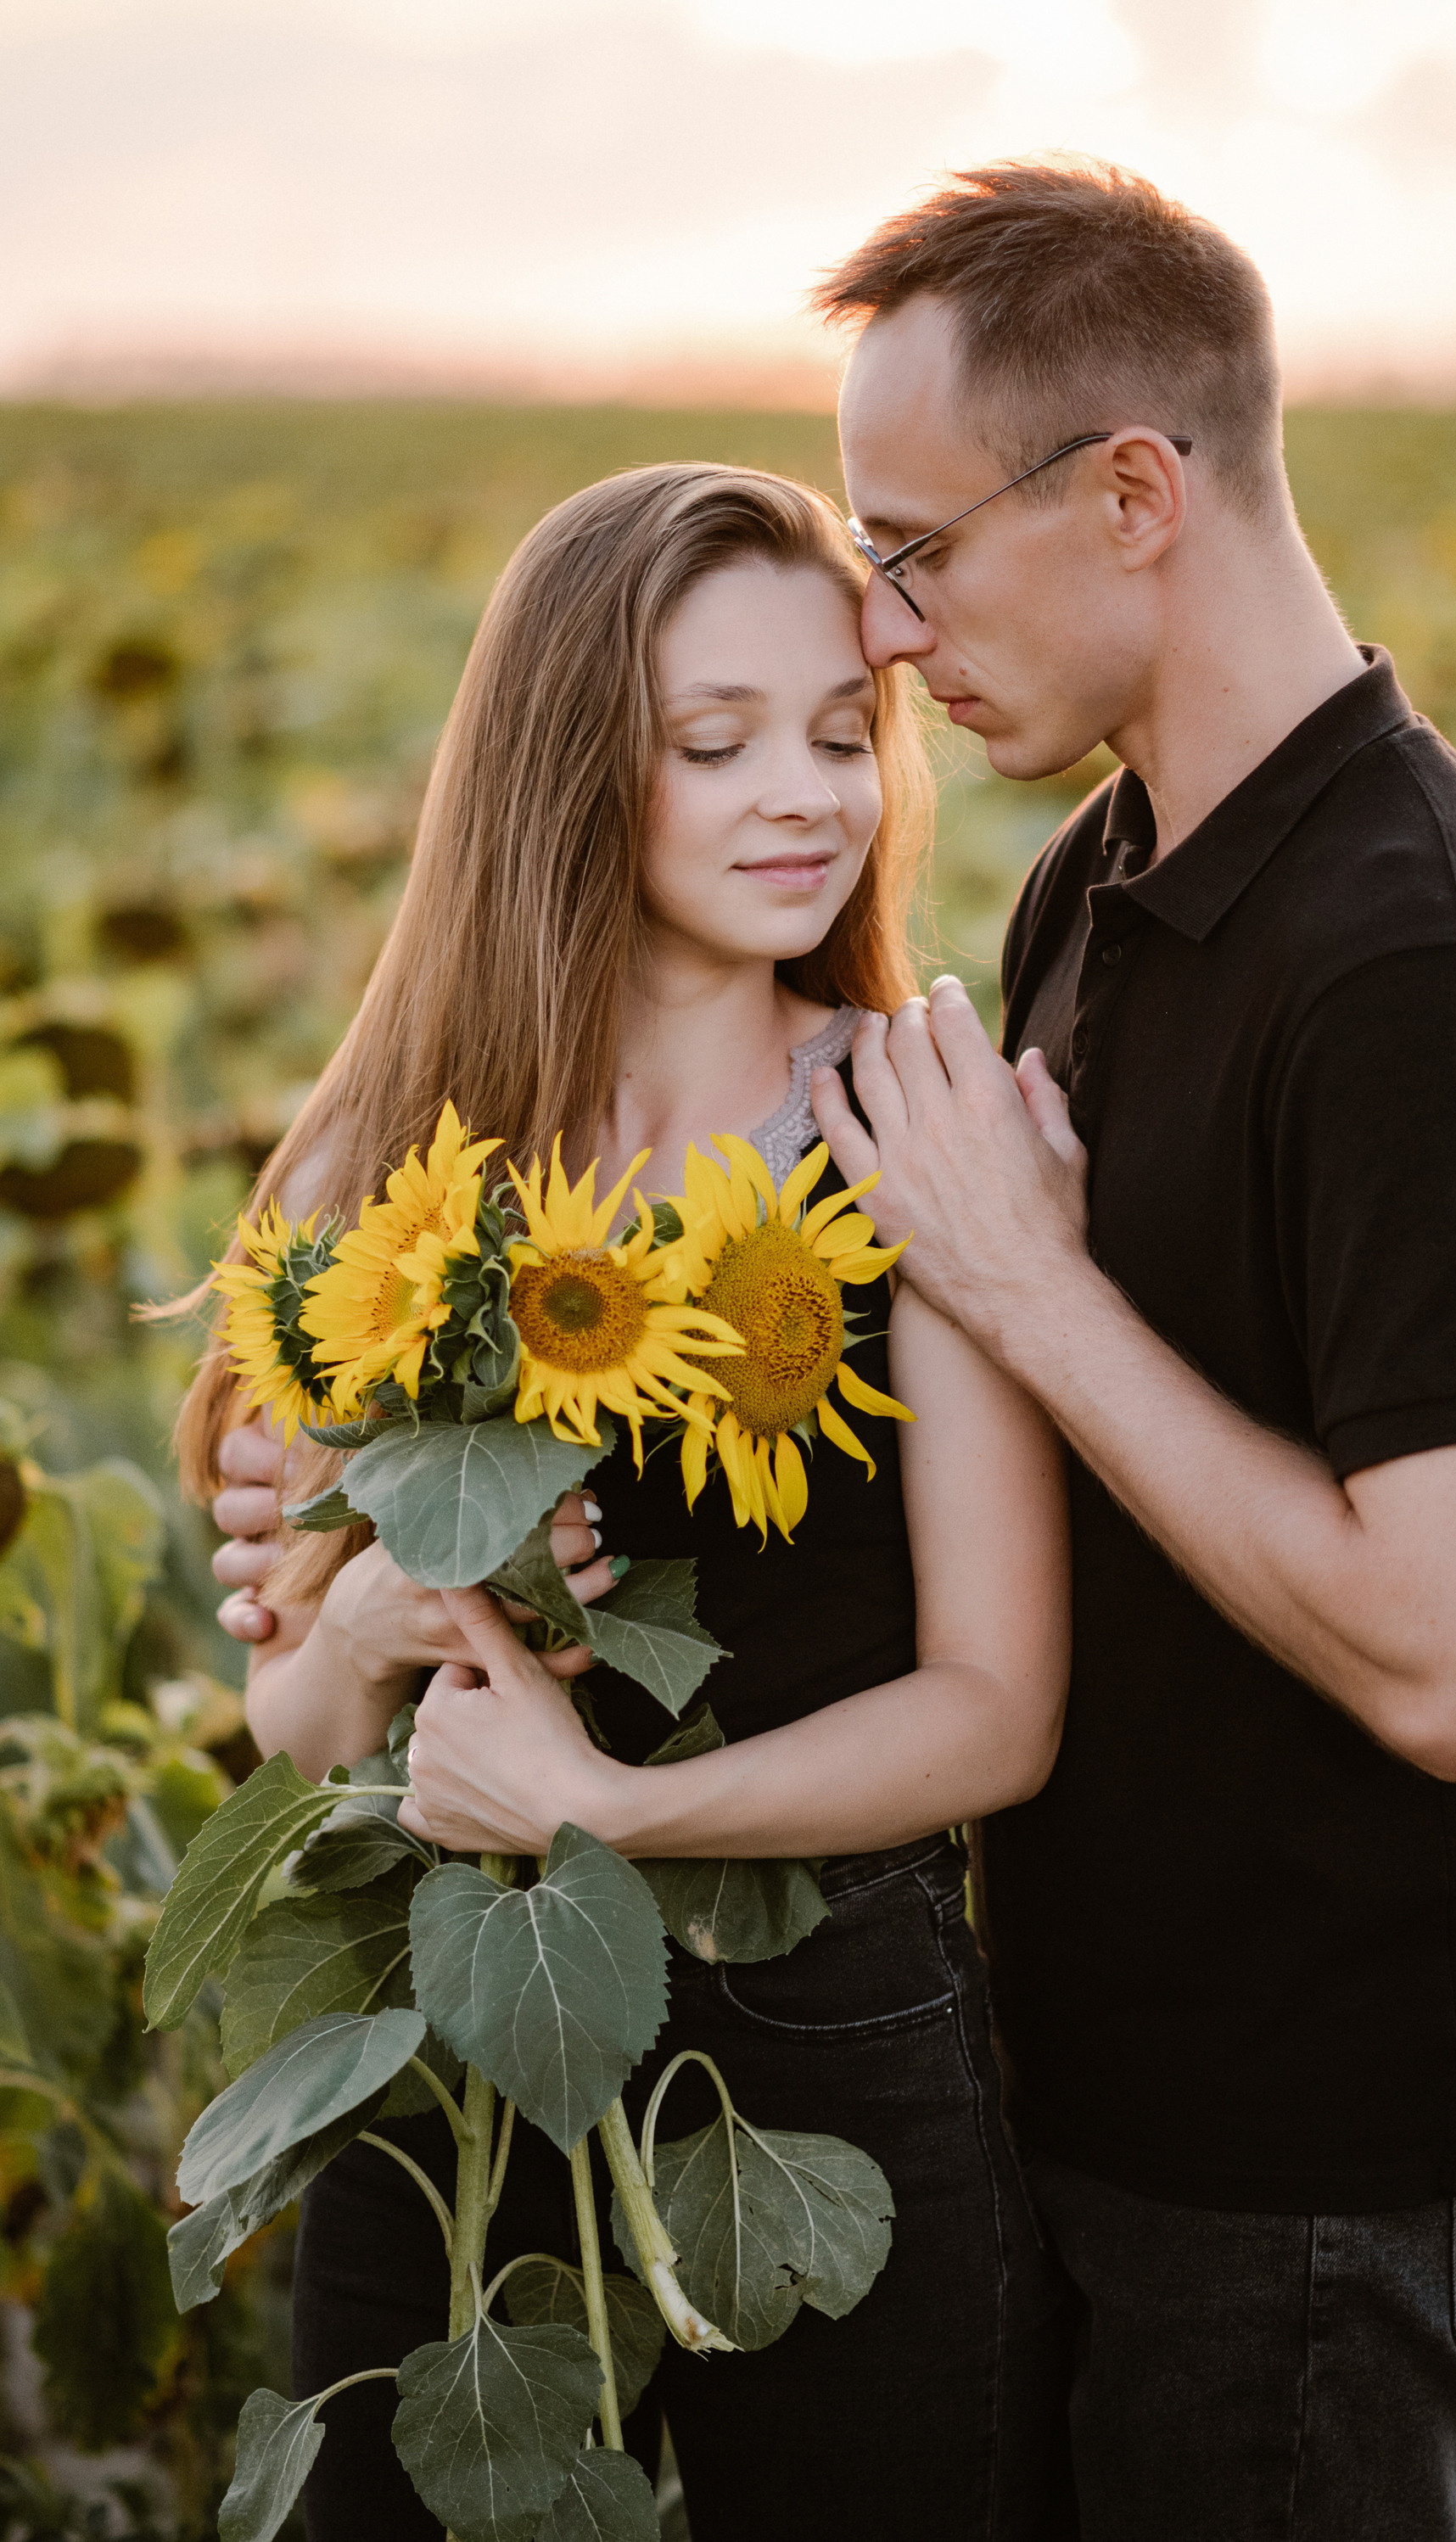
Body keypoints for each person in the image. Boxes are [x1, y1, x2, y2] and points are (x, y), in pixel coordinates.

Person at [802, 160, 1456, 2541]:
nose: (883, 631)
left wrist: (1038, 1294)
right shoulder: (1113, 868)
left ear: (1132, 494)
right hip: (1115, 2080)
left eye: (915, 551)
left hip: (1317, 2159)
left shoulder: (1413, 955)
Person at [182, 463, 1074, 2542]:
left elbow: (997, 1706)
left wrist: (619, 1802)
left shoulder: (906, 1132)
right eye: (717, 741)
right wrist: (380, 1627)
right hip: (451, 2054)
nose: (806, 794)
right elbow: (297, 1732)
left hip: (833, 2026)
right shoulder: (393, 1182)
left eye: (843, 735)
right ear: (572, 771)